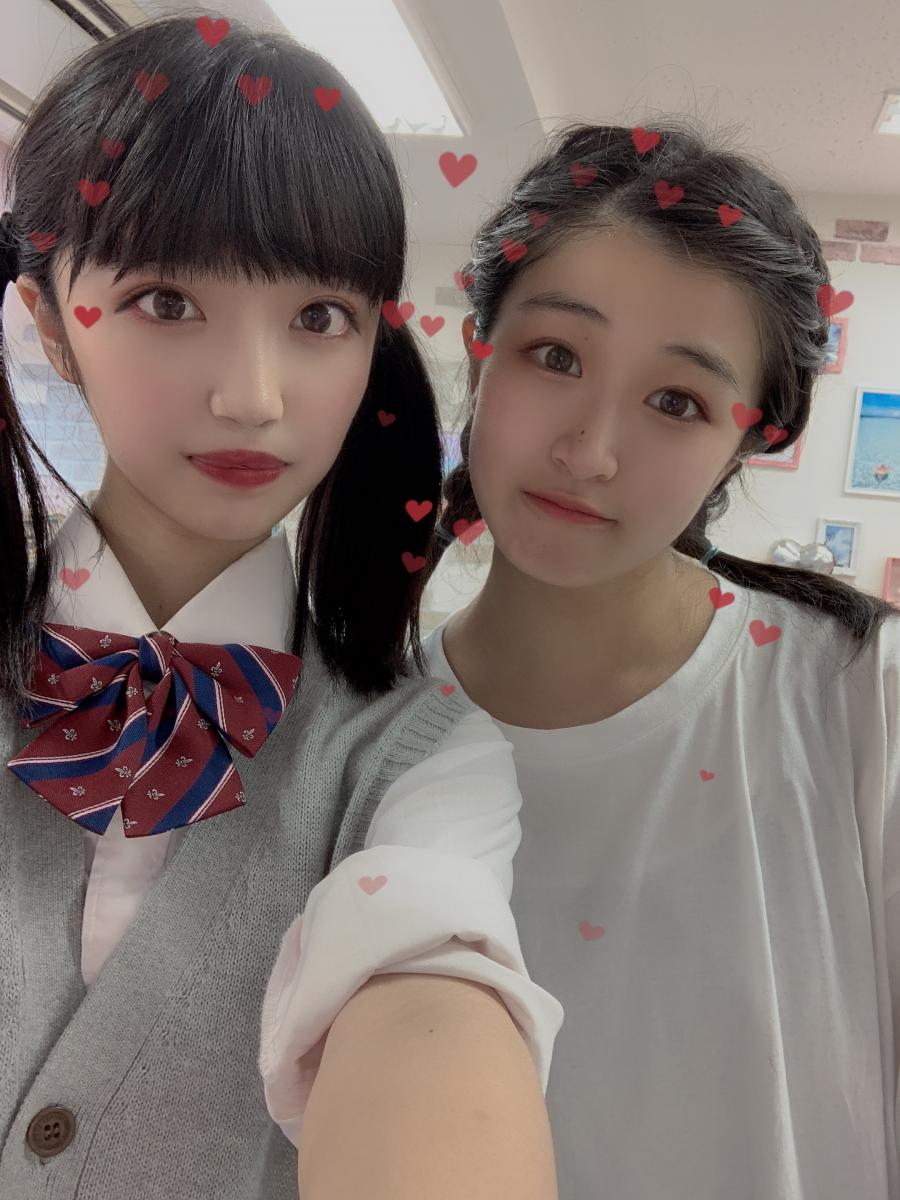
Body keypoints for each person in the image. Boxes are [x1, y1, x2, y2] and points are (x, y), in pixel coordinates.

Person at [0, 14, 564, 1200]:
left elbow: (433, 977)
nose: (254, 396)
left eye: (318, 319)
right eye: (165, 301)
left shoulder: (425, 760)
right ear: (49, 320)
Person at [421, 120, 900, 1200]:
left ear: (747, 440)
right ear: (482, 350)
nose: (589, 451)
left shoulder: (862, 701)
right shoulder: (358, 725)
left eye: (677, 401)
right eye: (556, 356)